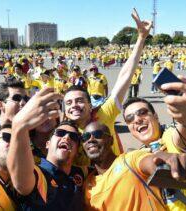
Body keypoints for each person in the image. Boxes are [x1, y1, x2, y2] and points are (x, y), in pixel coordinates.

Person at [63, 9, 152, 165]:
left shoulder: (104, 114)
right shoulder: (65, 133)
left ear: (90, 105)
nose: (74, 106)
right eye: (69, 103)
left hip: (119, 177)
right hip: (89, 186)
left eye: (79, 101)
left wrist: (141, 38)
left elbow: (125, 75)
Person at [122, 77, 186, 210]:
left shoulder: (170, 134)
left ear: (156, 116)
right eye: (130, 119)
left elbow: (183, 139)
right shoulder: (140, 155)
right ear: (130, 128)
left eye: (142, 113)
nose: (137, 119)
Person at [82, 121, 186, 211]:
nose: (91, 139)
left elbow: (152, 161)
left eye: (97, 134)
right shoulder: (87, 184)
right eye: (85, 137)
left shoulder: (129, 159)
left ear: (111, 140)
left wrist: (171, 159)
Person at [8, 87, 85, 211]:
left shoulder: (81, 173)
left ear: (78, 150)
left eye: (74, 137)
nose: (66, 137)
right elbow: (22, 184)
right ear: (48, 144)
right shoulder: (39, 173)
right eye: (60, 133)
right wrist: (19, 126)